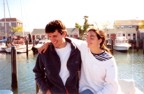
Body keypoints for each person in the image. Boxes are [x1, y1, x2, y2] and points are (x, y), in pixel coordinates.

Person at [38, 28, 119, 94]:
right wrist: (49, 42)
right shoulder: (84, 47)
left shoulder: (109, 60)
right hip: (85, 90)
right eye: (87, 37)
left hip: (102, 91)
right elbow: (65, 38)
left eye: (92, 37)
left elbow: (111, 85)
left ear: (100, 40)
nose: (88, 40)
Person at [33, 20, 82, 94]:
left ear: (64, 34)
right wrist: (46, 90)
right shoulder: (44, 52)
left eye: (55, 36)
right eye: (49, 36)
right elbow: (38, 73)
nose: (52, 39)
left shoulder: (77, 51)